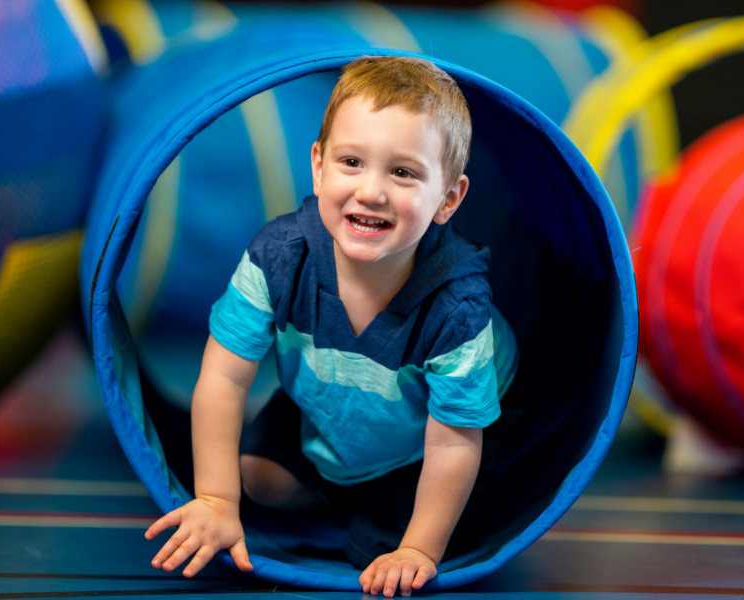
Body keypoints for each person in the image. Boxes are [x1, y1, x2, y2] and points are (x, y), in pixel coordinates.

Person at [144, 56, 518, 598]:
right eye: (351, 162)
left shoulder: (456, 308)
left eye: (404, 172)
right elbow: (224, 378)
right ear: (318, 167)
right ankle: (337, 488)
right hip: (327, 404)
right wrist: (215, 502)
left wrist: (418, 548)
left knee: (383, 558)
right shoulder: (279, 257)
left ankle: (375, 504)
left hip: (432, 441)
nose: (372, 191)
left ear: (448, 199)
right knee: (256, 480)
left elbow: (453, 442)